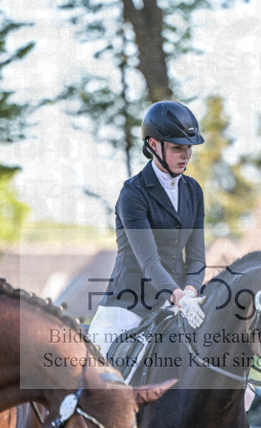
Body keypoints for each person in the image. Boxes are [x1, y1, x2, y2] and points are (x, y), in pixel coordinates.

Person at [88, 99, 206, 356]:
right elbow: (149, 262)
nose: (186, 155)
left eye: (189, 148)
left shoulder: (194, 191)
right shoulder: (133, 193)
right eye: (177, 147)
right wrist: (179, 296)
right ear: (153, 145)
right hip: (127, 307)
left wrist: (190, 291)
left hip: (174, 307)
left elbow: (197, 257)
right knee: (97, 373)